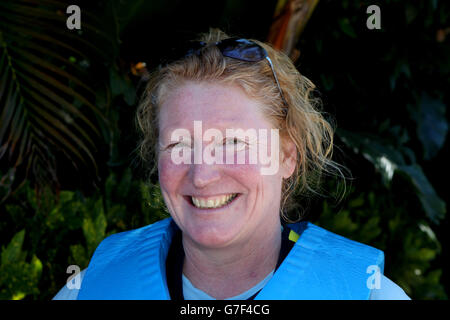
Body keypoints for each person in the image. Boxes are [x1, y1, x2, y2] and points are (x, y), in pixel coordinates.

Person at [53, 28, 410, 300]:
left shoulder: (368, 294)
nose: (203, 175)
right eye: (180, 144)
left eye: (233, 143)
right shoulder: (89, 290)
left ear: (287, 155)